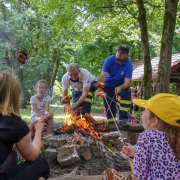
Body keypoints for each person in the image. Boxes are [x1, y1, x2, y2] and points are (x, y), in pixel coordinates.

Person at [0, 72, 50, 180]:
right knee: (43, 164)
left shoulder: (15, 126)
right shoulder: (14, 122)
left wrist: (25, 132)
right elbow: (32, 156)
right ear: (13, 96)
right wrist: (38, 132)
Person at [123, 93, 180, 179]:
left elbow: (139, 177)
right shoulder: (176, 138)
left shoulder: (147, 136)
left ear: (154, 121)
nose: (142, 113)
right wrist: (136, 152)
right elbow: (166, 159)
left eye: (145, 111)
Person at [95, 44, 133, 126]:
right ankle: (112, 124)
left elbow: (127, 83)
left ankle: (123, 120)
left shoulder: (129, 64)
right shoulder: (109, 60)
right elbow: (102, 77)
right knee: (109, 105)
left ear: (127, 55)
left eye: (122, 53)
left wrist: (120, 87)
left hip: (121, 85)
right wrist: (99, 91)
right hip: (108, 85)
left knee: (128, 91)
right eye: (118, 51)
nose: (119, 54)